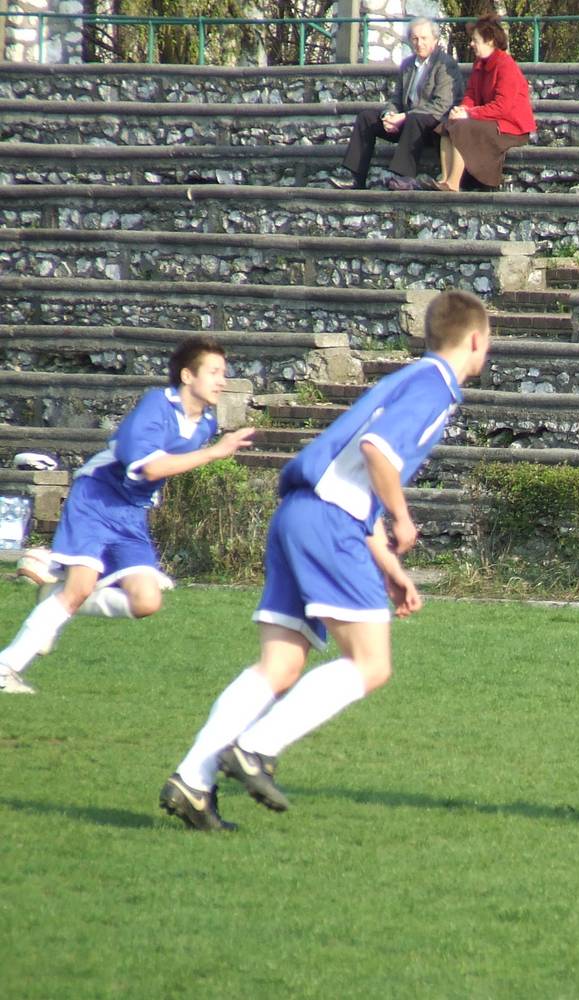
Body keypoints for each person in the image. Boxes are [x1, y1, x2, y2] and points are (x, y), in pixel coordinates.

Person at [160, 289, 492, 832]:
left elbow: (353, 473)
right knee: (371, 663)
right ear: (476, 340)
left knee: (279, 665)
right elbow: (378, 451)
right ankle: (256, 748)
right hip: (329, 523)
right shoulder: (436, 386)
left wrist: (388, 565)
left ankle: (193, 782)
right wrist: (403, 519)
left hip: (299, 513)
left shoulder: (406, 378)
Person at [0, 337, 256, 695]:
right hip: (97, 498)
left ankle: (53, 593)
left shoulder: (205, 424)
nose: (222, 381)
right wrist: (214, 454)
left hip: (131, 514)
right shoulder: (157, 405)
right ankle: (6, 667)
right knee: (79, 587)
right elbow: (148, 468)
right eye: (213, 372)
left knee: (146, 601)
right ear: (187, 375)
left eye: (223, 373)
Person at [338, 18, 465, 191]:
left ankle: (402, 176)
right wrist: (389, 115)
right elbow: (396, 99)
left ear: (435, 40)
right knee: (366, 118)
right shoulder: (407, 65)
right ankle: (355, 177)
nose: (419, 43)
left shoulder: (445, 64)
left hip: (433, 125)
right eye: (415, 38)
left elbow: (441, 105)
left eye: (424, 38)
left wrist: (404, 117)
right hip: (408, 122)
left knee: (415, 118)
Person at [433, 13, 535, 193]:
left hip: (511, 127)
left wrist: (469, 114)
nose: (471, 44)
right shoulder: (479, 64)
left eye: (475, 40)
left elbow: (502, 107)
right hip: (492, 119)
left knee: (462, 127)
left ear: (490, 41)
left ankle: (453, 183)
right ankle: (445, 178)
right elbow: (471, 94)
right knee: (448, 125)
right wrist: (462, 109)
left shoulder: (506, 65)